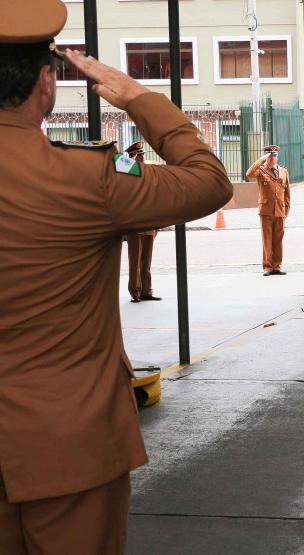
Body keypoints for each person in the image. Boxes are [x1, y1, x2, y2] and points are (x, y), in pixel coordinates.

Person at [0, 3, 233, 551]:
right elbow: (208, 181)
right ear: (45, 82)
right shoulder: (87, 177)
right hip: (68, 442)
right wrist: (135, 97)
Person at [123, 141, 161, 303]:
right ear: (132, 157)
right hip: (135, 222)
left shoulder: (147, 173)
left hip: (148, 222)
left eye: (142, 155)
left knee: (147, 260)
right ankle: (135, 292)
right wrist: (129, 162)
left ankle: (146, 291)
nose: (142, 158)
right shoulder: (126, 173)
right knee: (135, 260)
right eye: (139, 156)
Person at [246, 145, 291, 275]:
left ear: (277, 157)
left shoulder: (283, 171)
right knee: (267, 239)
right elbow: (249, 174)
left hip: (280, 210)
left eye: (274, 155)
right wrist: (261, 160)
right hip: (266, 210)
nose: (272, 158)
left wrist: (286, 211)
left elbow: (287, 193)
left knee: (278, 240)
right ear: (266, 157)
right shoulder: (260, 170)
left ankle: (277, 266)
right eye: (270, 155)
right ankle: (267, 267)